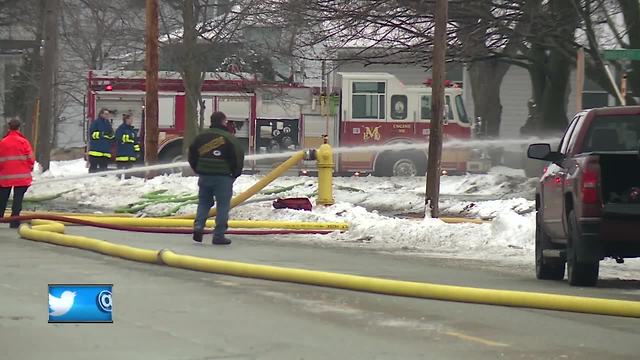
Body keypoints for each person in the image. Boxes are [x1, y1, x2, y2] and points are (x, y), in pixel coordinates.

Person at [188, 111, 245, 245]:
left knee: (203, 203)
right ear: (223, 122)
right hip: (223, 178)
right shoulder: (229, 138)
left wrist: (199, 169)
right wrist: (234, 174)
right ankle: (218, 235)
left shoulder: (200, 137)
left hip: (205, 176)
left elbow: (192, 155)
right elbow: (238, 157)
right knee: (223, 205)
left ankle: (198, 226)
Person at [0, 119, 35, 228]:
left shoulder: (3, 142)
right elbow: (31, 158)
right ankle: (15, 220)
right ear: (19, 128)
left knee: (2, 199)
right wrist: (29, 167)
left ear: (8, 128)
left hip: (5, 177)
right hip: (22, 177)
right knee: (18, 199)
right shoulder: (24, 142)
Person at [88, 108, 115, 173]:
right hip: (96, 150)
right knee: (93, 168)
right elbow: (92, 134)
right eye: (105, 114)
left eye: (108, 114)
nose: (107, 115)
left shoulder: (108, 123)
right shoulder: (96, 122)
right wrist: (102, 134)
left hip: (105, 151)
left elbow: (112, 135)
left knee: (104, 169)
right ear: (101, 114)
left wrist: (111, 135)